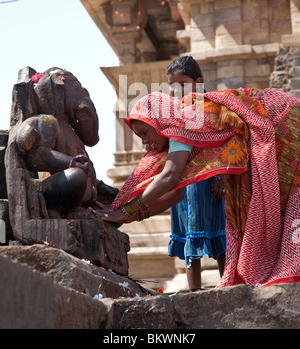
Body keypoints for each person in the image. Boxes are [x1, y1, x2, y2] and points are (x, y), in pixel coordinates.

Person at [93, 86, 300, 288]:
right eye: (140, 137)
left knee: (272, 199)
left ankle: (285, 271)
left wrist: (125, 210)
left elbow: (169, 178)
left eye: (146, 133)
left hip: (278, 120)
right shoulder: (178, 135)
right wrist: (131, 215)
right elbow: (175, 194)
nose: (145, 143)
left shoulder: (179, 123)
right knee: (258, 201)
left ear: (158, 121)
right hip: (272, 119)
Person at [166, 56, 226, 290]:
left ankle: (228, 284)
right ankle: (195, 293)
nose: (177, 90)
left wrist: (221, 177)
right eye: (173, 86)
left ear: (198, 82)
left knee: (217, 233)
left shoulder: (211, 108)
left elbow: (223, 142)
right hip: (182, 184)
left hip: (210, 181)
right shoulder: (175, 112)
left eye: (183, 84)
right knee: (189, 236)